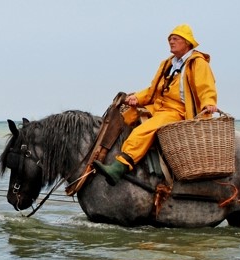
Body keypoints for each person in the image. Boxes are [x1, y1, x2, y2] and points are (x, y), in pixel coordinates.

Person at [93, 24, 218, 186]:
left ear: (187, 42)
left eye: (175, 39)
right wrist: (136, 98)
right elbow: (153, 90)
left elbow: (206, 87)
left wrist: (209, 103)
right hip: (159, 106)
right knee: (125, 115)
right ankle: (105, 154)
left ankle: (120, 166)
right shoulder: (167, 63)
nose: (171, 42)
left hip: (177, 111)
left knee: (144, 130)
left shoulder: (197, 63)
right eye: (170, 39)